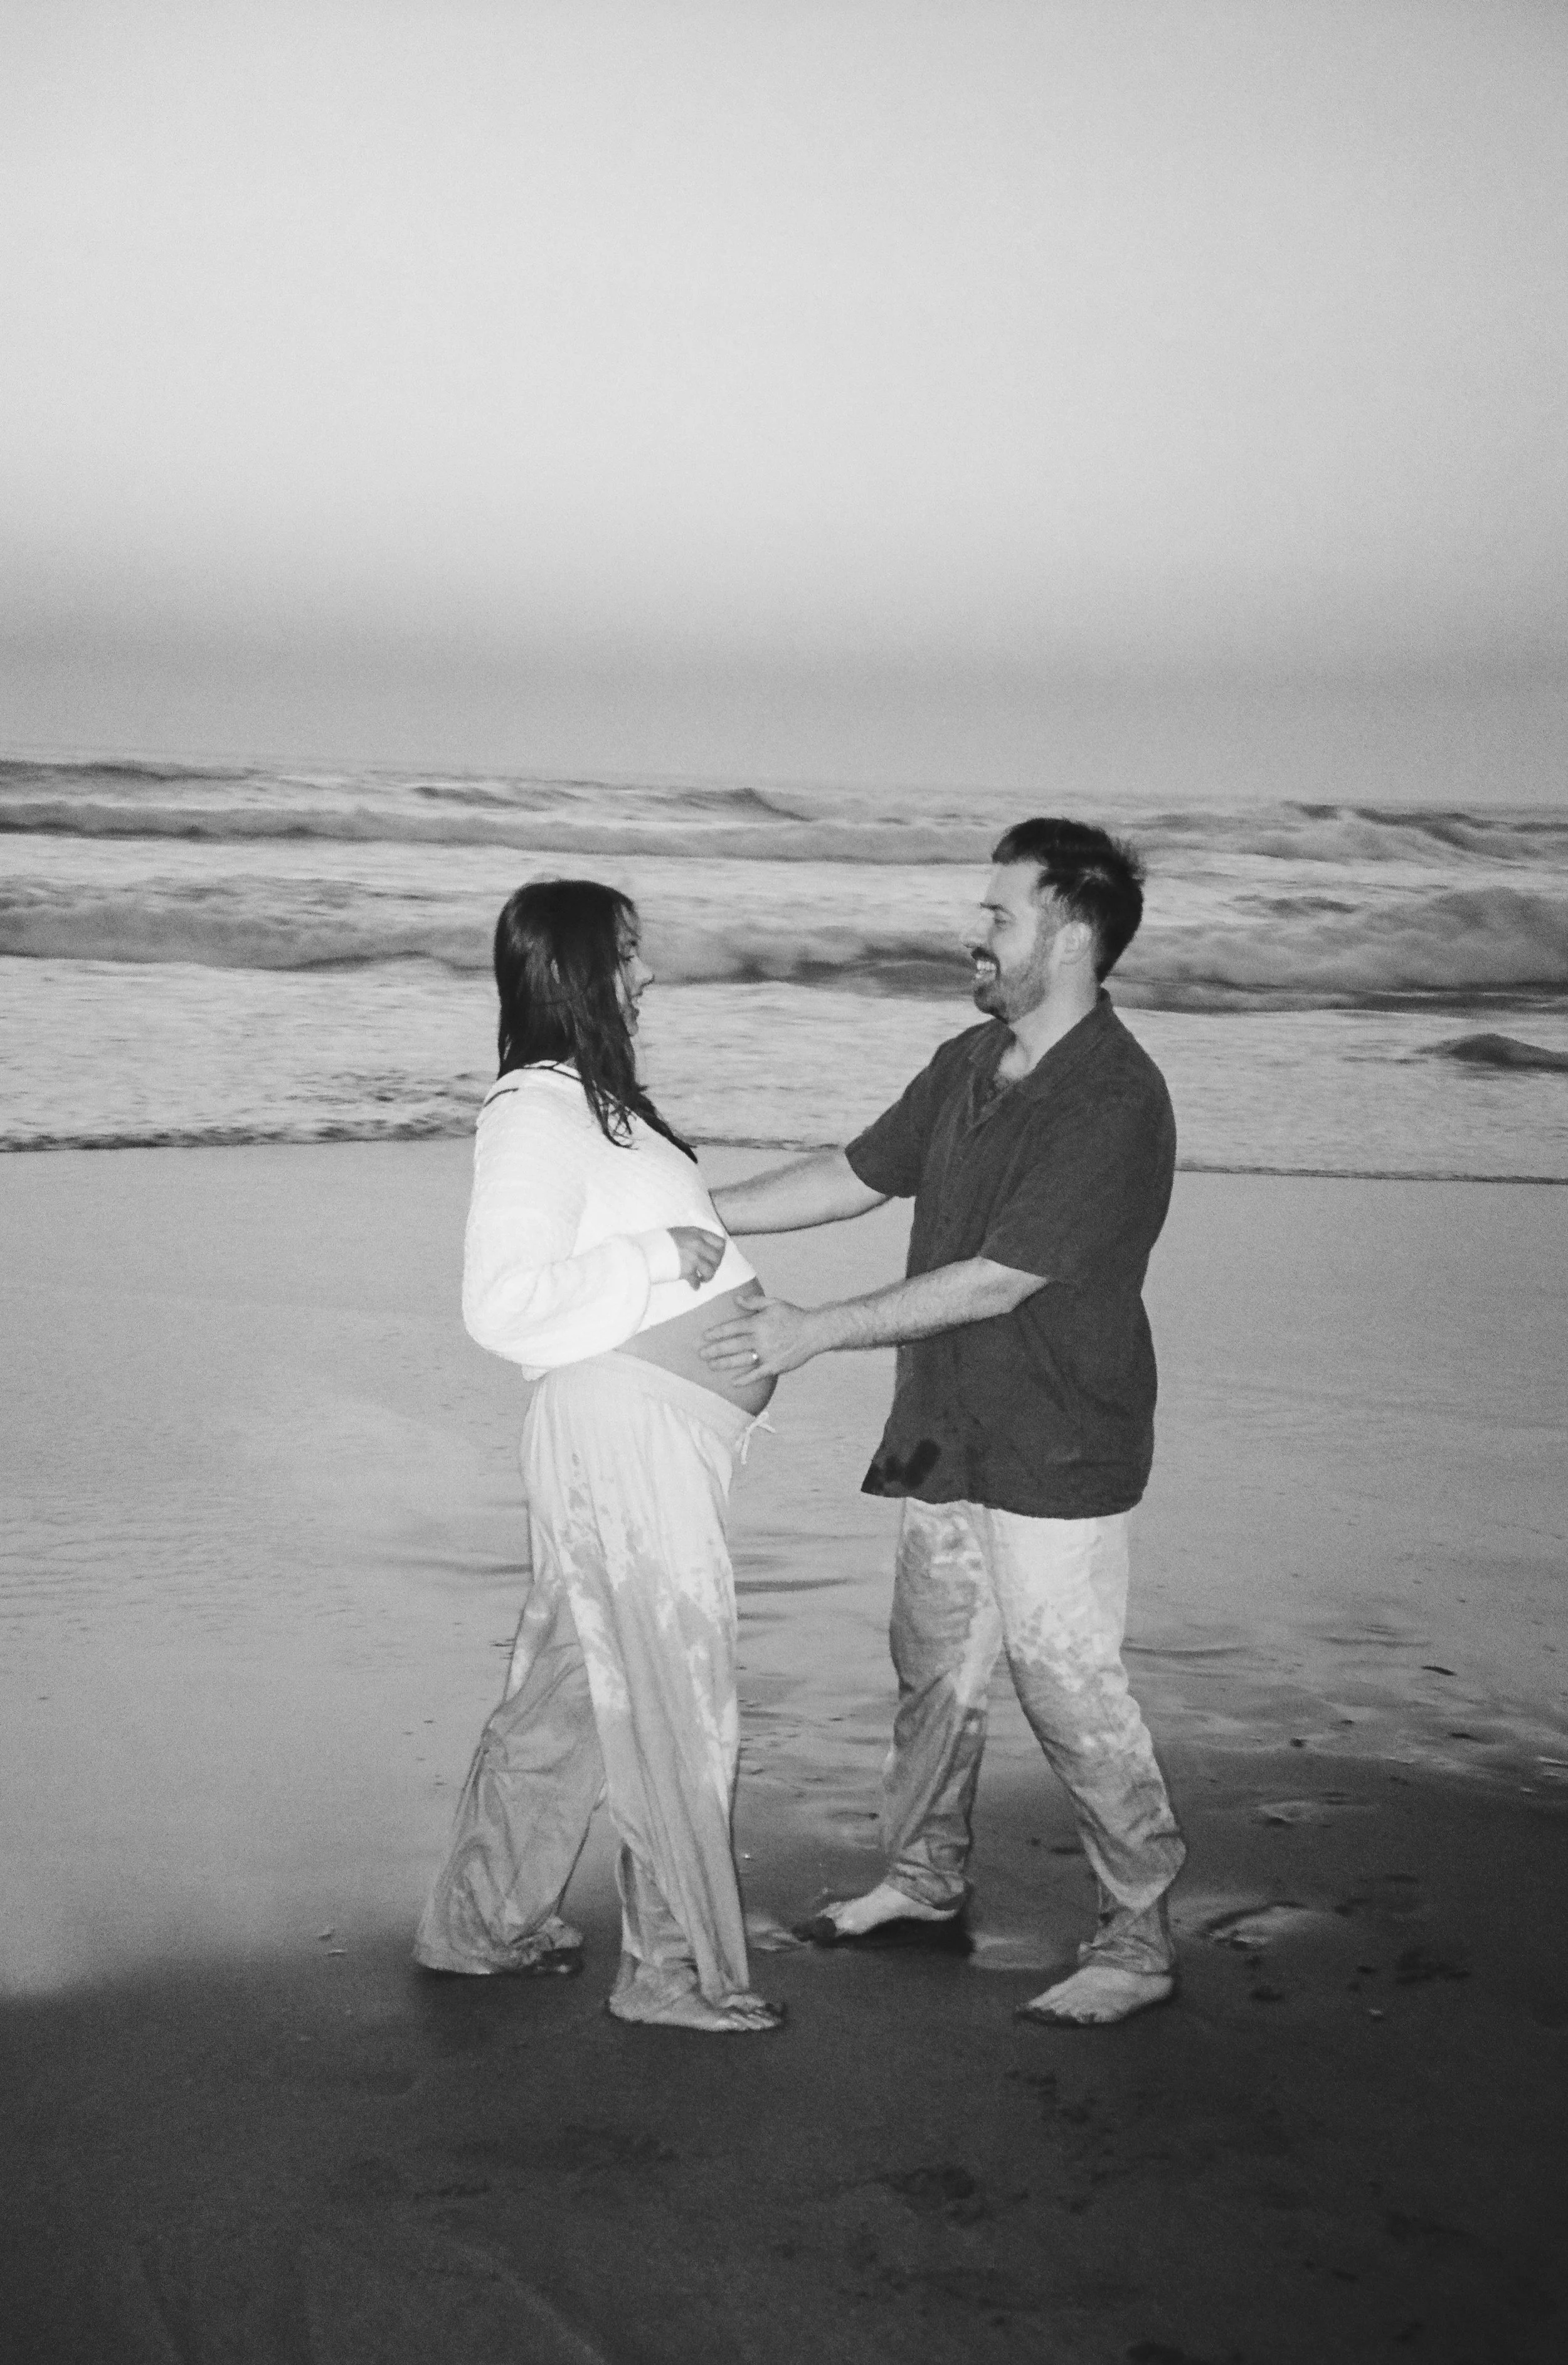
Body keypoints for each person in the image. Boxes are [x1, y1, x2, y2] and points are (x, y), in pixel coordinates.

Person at [701, 818, 1185, 2027]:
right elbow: (857, 1171)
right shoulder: (969, 1061)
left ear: (1069, 937)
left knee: (1066, 1683)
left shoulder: (1115, 1099)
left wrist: (810, 1328)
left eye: (1000, 915)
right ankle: (923, 1879)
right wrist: (697, 1214)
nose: (975, 932)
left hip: (1059, 1441)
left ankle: (1138, 1935)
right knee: (933, 1666)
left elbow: (997, 1276)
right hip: (946, 1429)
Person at [413, 878, 784, 2034]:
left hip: (647, 1435)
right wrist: (657, 1260)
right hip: (623, 1435)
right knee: (675, 1694)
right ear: (574, 969)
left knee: (569, 1697)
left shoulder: (596, 1101)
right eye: (629, 954)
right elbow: (501, 1304)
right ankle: (673, 1973)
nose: (649, 975)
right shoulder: (533, 1108)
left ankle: (481, 1921)